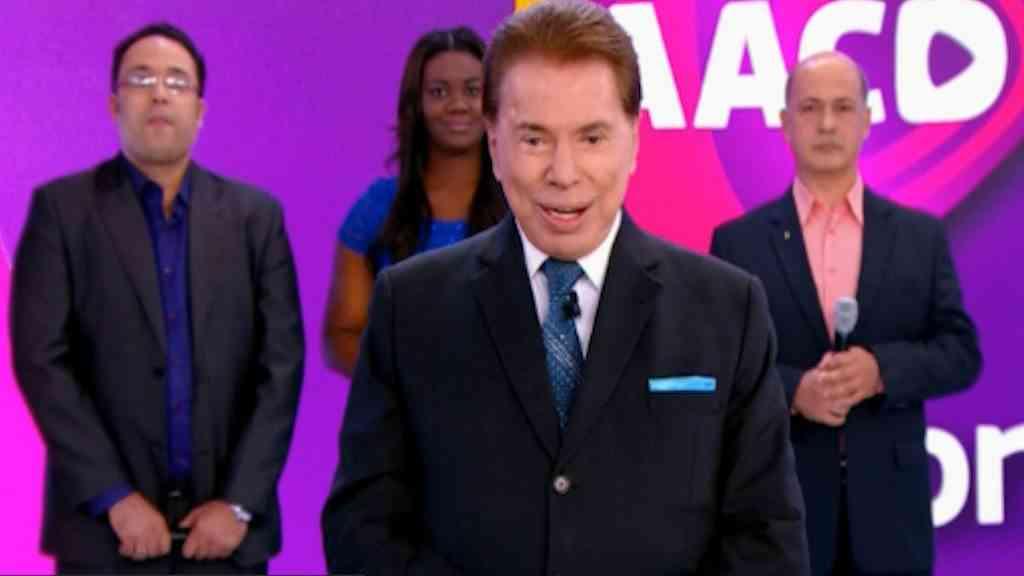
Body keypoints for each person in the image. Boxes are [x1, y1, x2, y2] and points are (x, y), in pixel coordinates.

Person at [321, 1, 809, 574]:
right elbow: (364, 528)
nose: (564, 172)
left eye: (592, 138)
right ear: (494, 143)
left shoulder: (728, 309)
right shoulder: (410, 306)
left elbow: (766, 541)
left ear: (633, 140)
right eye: (534, 140)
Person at [10, 22, 304, 574]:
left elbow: (281, 367)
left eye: (177, 81)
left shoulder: (255, 218)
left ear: (200, 109)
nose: (160, 93)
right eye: (141, 79)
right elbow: (42, 361)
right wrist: (114, 497)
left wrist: (239, 503)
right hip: (105, 535)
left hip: (225, 537)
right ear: (114, 103)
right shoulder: (62, 211)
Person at [711, 51, 981, 575]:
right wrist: (794, 392)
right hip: (779, 512)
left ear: (867, 120)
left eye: (842, 107)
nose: (827, 124)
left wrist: (881, 370)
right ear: (785, 123)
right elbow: (720, 368)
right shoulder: (738, 243)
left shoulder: (919, 237)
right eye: (810, 108)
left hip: (892, 518)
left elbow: (960, 353)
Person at [323, 26, 505, 377]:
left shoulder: (524, 204)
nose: (458, 105)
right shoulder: (379, 207)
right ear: (416, 105)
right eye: (439, 92)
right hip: (403, 406)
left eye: (473, 90)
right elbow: (342, 336)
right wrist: (410, 383)